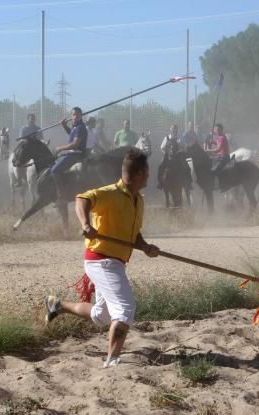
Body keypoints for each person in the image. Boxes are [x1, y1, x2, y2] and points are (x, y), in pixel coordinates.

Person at [45, 148, 160, 368]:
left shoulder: (139, 200)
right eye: (147, 172)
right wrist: (85, 224)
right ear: (138, 174)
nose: (149, 176)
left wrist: (145, 247)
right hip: (102, 261)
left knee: (103, 316)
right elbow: (82, 199)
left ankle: (57, 305)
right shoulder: (110, 193)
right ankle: (112, 360)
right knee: (125, 309)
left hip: (114, 262)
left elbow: (132, 233)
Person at [51, 107, 88, 199]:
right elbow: (71, 133)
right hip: (72, 154)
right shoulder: (76, 126)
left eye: (77, 115)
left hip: (77, 154)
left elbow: (75, 144)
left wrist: (60, 148)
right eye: (73, 114)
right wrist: (64, 126)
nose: (75, 117)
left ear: (81, 116)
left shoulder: (80, 127)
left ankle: (61, 195)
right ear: (71, 116)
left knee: (54, 170)